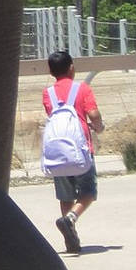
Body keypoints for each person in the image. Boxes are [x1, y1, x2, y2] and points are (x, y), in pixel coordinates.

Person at [41, 49, 103, 253]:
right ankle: (71, 218)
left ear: (51, 72)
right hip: (81, 148)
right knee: (89, 192)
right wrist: (99, 126)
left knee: (65, 195)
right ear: (72, 68)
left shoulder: (47, 93)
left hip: (58, 151)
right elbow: (92, 113)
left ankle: (70, 236)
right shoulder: (82, 89)